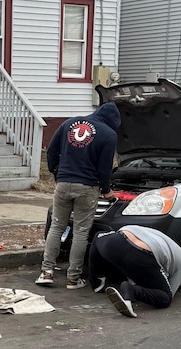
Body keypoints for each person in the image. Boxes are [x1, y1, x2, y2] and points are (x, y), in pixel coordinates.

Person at [35, 101, 120, 289]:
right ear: (113, 121)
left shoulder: (69, 124)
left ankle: (46, 272)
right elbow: (104, 168)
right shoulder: (109, 134)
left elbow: (51, 151)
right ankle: (73, 278)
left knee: (56, 227)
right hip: (87, 188)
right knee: (81, 232)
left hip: (63, 184)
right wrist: (106, 190)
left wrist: (57, 173)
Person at [88, 225, 181, 317]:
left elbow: (98, 237)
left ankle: (95, 283)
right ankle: (131, 290)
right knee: (165, 298)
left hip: (118, 239)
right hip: (141, 255)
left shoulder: (171, 245)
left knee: (98, 237)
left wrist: (94, 280)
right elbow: (167, 291)